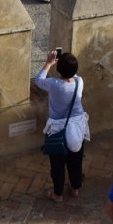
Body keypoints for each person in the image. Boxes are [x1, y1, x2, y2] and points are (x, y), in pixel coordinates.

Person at [35, 51, 90, 202]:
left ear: (59, 68)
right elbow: (73, 75)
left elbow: (39, 80)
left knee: (57, 165)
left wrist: (49, 63)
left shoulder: (54, 84)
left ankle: (57, 194)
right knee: (76, 159)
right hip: (77, 126)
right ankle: (75, 188)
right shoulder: (79, 81)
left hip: (58, 128)